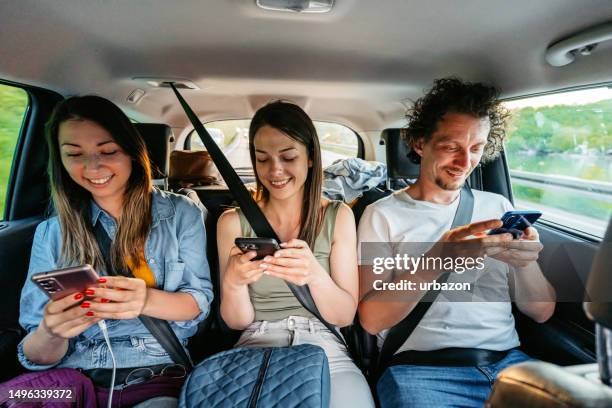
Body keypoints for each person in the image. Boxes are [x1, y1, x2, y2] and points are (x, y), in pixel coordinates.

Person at [1, 95, 213, 407]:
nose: (92, 167)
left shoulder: (180, 213)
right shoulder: (51, 232)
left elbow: (198, 304)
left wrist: (145, 300)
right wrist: (51, 331)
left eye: (108, 151)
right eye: (74, 154)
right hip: (68, 383)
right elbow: (35, 354)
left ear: (131, 150)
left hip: (152, 375)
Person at [357, 78, 556, 407]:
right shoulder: (382, 215)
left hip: (509, 364)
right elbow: (372, 320)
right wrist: (440, 256)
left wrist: (527, 263)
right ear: (420, 143)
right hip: (422, 372)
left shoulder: (499, 207)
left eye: (476, 148)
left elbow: (542, 312)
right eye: (452, 147)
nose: (466, 162)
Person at [217, 101, 375, 407]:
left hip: (325, 346)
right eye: (262, 159)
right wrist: (234, 283)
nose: (275, 170)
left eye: (288, 157)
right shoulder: (231, 222)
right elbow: (236, 322)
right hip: (256, 343)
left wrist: (314, 274)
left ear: (311, 158)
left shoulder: (338, 215)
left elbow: (344, 315)